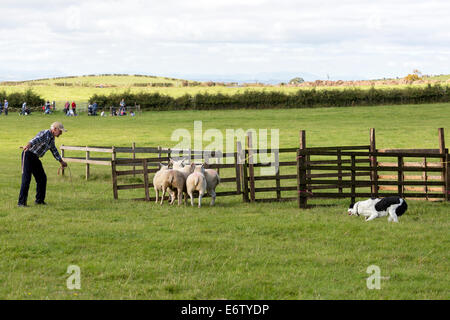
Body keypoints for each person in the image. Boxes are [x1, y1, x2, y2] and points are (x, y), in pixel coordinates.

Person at [18, 122, 68, 207]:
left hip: (35, 157)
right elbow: (36, 139)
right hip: (28, 155)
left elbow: (54, 150)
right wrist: (29, 144)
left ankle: (39, 201)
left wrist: (61, 161)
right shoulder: (45, 133)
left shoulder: (52, 139)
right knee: (26, 179)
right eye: (60, 131)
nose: (61, 133)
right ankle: (21, 203)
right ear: (54, 129)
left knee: (42, 178)